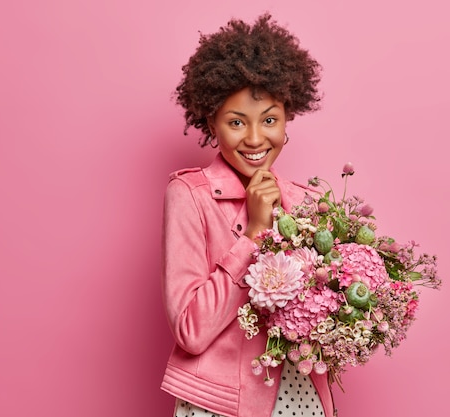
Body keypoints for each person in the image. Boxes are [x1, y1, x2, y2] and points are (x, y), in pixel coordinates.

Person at [160, 13, 334, 417]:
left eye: (269, 120)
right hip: (221, 403)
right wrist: (254, 232)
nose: (255, 139)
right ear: (211, 122)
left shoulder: (308, 203)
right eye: (237, 122)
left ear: (288, 117)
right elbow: (191, 331)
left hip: (303, 398)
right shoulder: (189, 195)